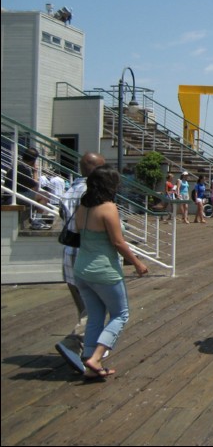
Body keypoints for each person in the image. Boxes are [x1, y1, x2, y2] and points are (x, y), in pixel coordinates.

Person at [73, 164, 148, 379]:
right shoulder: (108, 208)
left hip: (82, 269)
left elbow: (80, 233)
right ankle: (96, 357)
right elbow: (118, 242)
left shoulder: (83, 207)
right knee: (120, 314)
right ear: (109, 185)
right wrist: (136, 262)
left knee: (95, 316)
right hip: (104, 271)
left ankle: (89, 365)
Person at [55, 152, 106, 369]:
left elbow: (62, 216)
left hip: (69, 255)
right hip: (89, 254)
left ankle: (87, 353)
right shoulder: (93, 192)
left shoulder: (68, 190)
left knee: (84, 308)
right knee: (96, 308)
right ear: (96, 169)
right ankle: (73, 342)